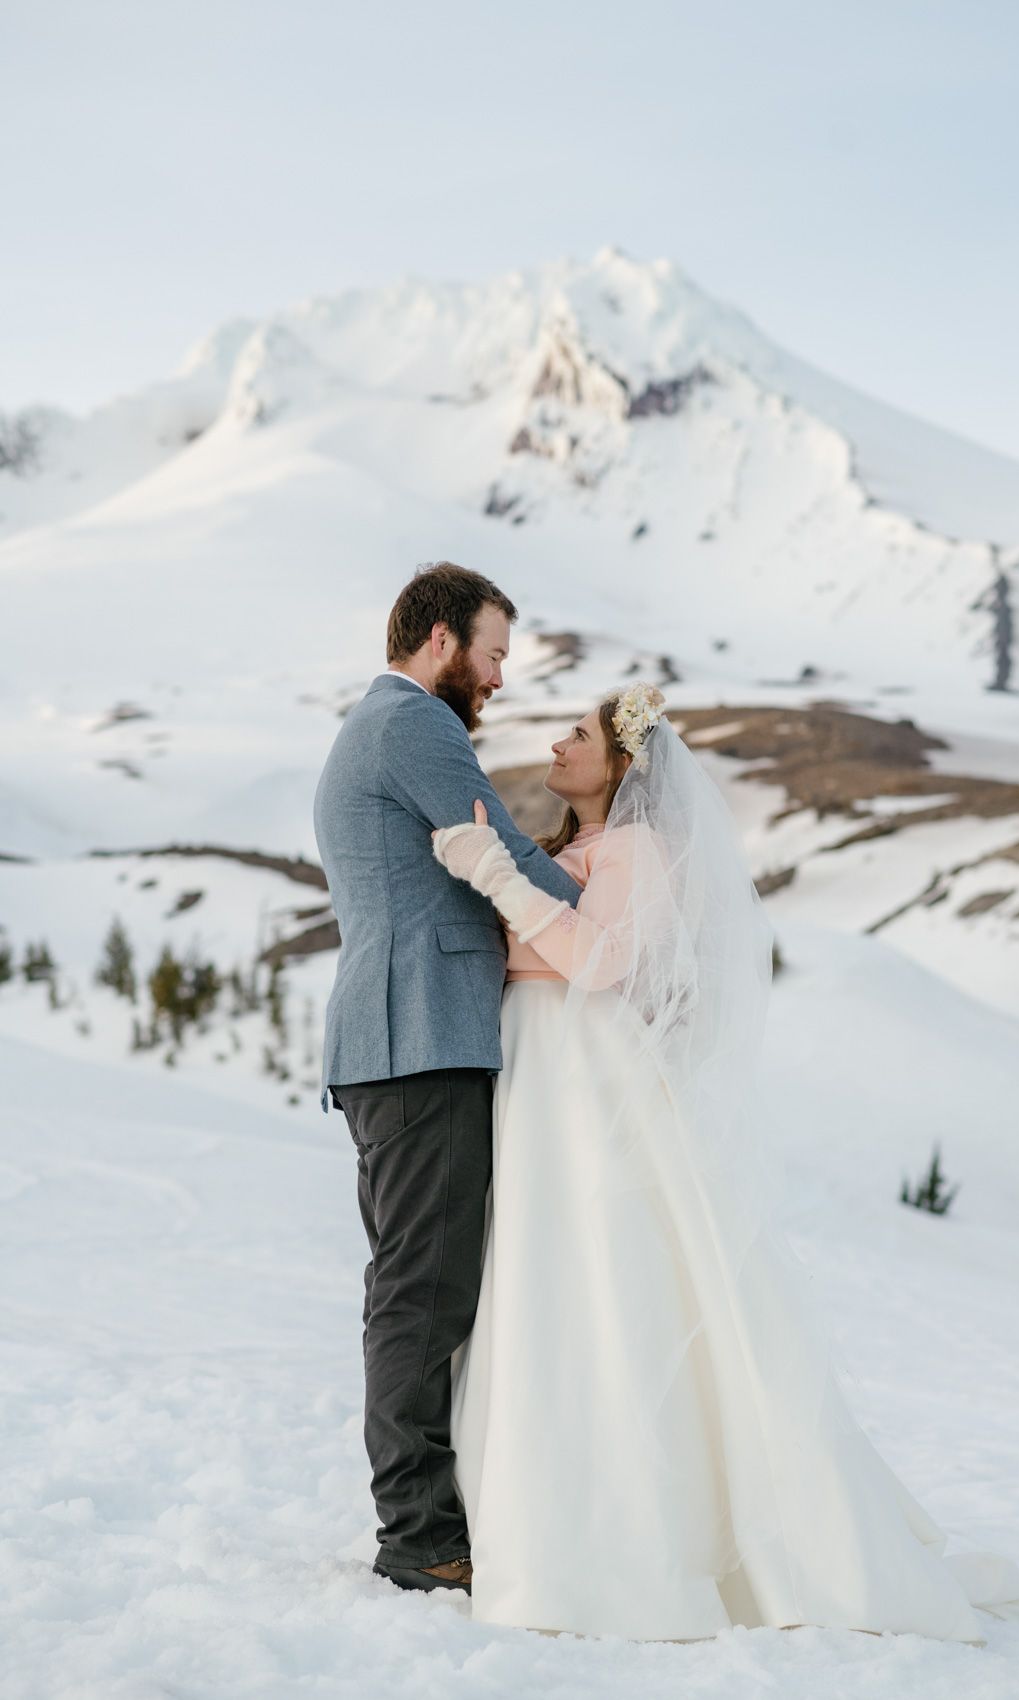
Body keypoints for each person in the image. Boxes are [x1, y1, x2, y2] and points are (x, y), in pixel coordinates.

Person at [431, 683, 1019, 1641]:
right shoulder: (581, 849)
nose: (555, 742)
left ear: (623, 765)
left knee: (602, 1279)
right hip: (544, 1088)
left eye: (576, 734)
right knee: (552, 1281)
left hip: (588, 1090)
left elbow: (597, 962)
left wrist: (494, 877)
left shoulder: (636, 851)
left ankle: (625, 1536)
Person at [312, 561, 581, 1595]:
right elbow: (504, 852)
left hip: (408, 1035)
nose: (499, 678)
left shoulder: (383, 725)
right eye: (494, 652)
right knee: (421, 1293)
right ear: (439, 641)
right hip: (416, 1036)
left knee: (424, 1286)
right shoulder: (416, 725)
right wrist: (617, 902)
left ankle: (433, 1518)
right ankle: (419, 1537)